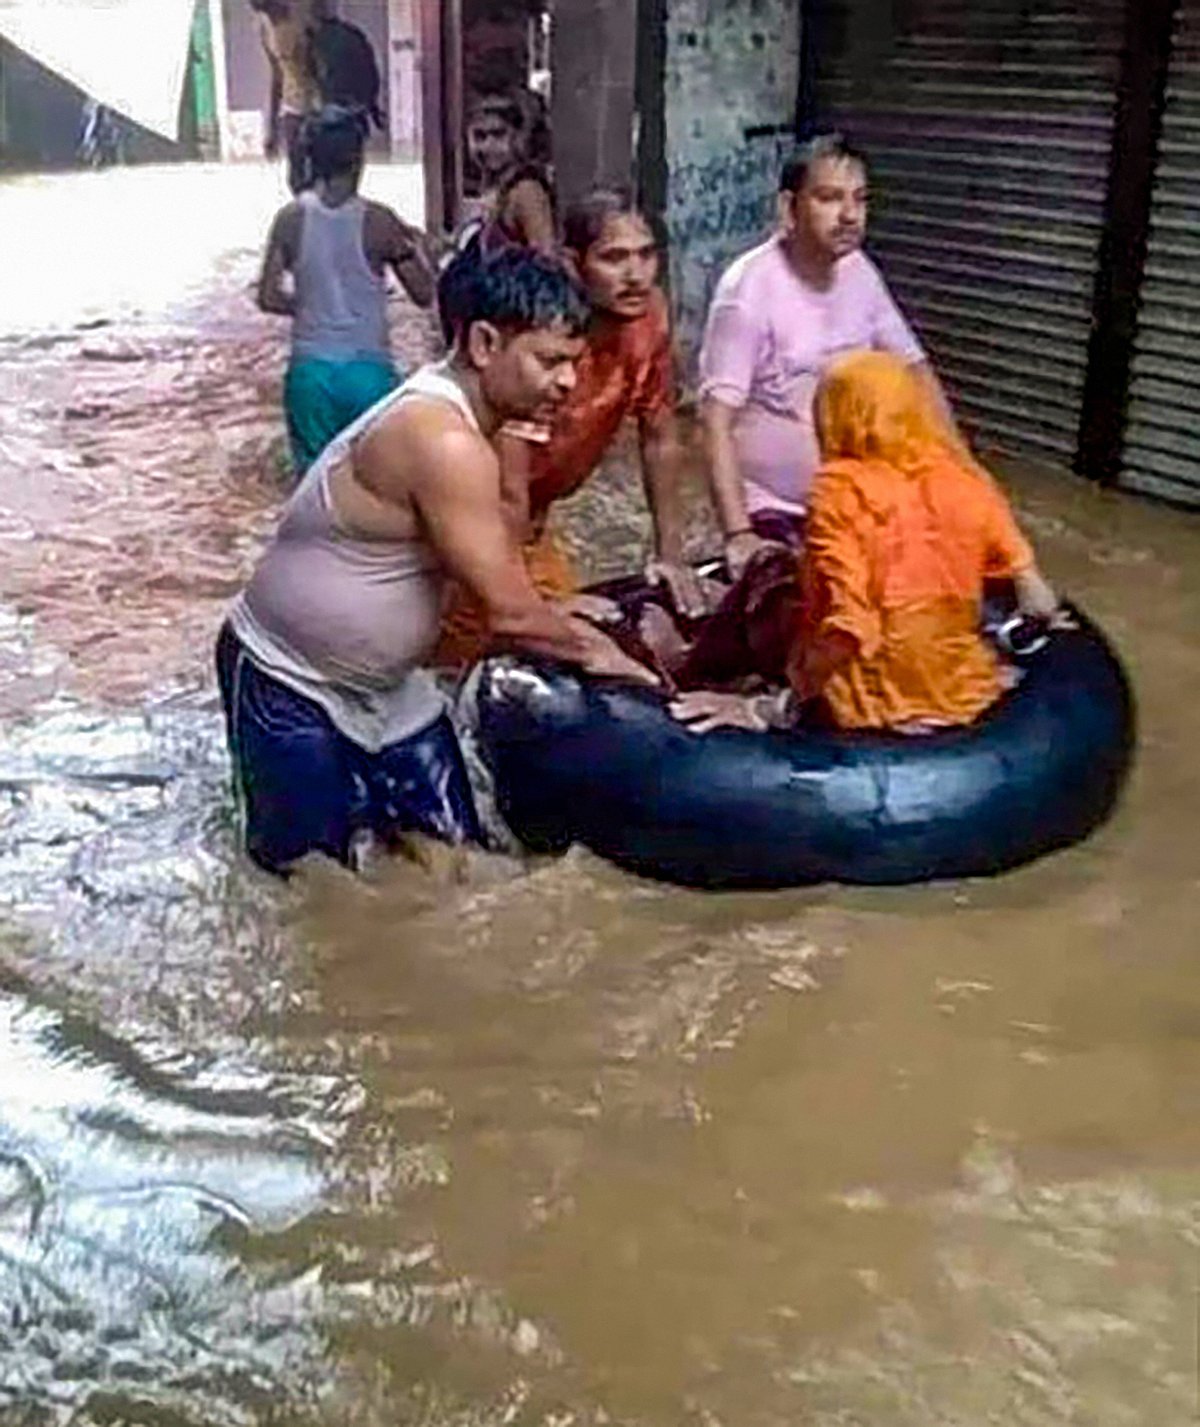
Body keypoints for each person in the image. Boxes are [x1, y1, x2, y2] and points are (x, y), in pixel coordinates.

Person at [219, 246, 656, 875]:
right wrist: (606, 656)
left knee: (467, 873)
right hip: (289, 679)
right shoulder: (442, 438)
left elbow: (501, 570)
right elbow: (510, 614)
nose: (567, 382)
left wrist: (560, 611)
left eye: (574, 363)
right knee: (314, 886)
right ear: (483, 343)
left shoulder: (475, 425)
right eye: (549, 361)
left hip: (393, 693)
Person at [669, 350, 1063, 734]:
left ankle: (689, 674)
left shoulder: (839, 493)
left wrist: (773, 709)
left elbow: (850, 628)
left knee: (770, 567)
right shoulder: (967, 482)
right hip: (963, 692)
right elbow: (1040, 602)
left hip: (868, 705)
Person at [436, 187, 705, 668]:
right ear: (573, 262)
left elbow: (660, 435)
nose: (635, 275)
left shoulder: (649, 318)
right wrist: (530, 602)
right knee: (472, 661)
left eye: (646, 255)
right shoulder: (542, 335)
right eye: (614, 258)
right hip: (477, 523)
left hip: (532, 525)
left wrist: (670, 554)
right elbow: (508, 488)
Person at [699, 133, 956, 577]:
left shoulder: (860, 273)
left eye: (860, 199)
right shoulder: (748, 290)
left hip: (860, 495)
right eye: (830, 198)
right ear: (789, 208)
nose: (850, 215)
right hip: (774, 508)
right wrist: (739, 533)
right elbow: (713, 421)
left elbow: (917, 373)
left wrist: (959, 475)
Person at [257, 107, 435, 476]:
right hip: (368, 375)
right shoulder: (380, 222)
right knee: (375, 483)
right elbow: (424, 294)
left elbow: (268, 298)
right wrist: (421, 249)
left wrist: (311, 305)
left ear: (311, 159)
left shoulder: (289, 219)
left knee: (311, 484)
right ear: (359, 159)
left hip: (310, 376)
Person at [457, 94, 556, 255]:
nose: (488, 145)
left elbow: (545, 257)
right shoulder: (492, 188)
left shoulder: (526, 191)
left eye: (499, 135)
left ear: (518, 137)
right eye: (480, 136)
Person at [249, 0, 324, 193]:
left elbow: (320, 66)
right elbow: (277, 75)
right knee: (297, 180)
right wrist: (272, 126)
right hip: (293, 109)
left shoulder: (303, 22)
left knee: (318, 176)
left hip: (317, 108)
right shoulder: (265, 28)